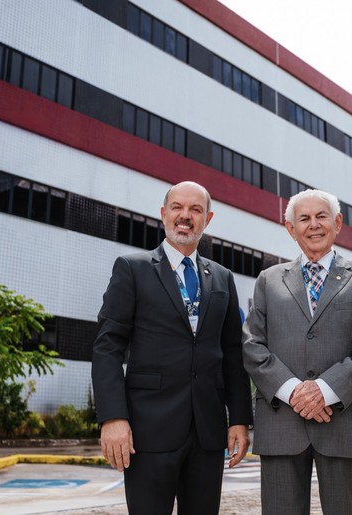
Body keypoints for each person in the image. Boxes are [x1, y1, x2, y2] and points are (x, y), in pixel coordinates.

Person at [92, 181, 253, 515]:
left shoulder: (222, 278)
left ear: (207, 219)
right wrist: (113, 417)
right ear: (164, 214)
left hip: (207, 432)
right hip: (148, 431)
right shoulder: (132, 269)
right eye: (178, 207)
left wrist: (239, 419)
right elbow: (108, 347)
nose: (186, 216)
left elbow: (233, 353)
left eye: (195, 210)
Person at [243, 188, 352, 515]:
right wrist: (295, 391)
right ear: (290, 229)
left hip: (345, 421)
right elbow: (252, 345)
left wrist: (325, 391)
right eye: (303, 219)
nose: (313, 225)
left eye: (321, 216)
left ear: (337, 223)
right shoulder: (268, 280)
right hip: (282, 421)